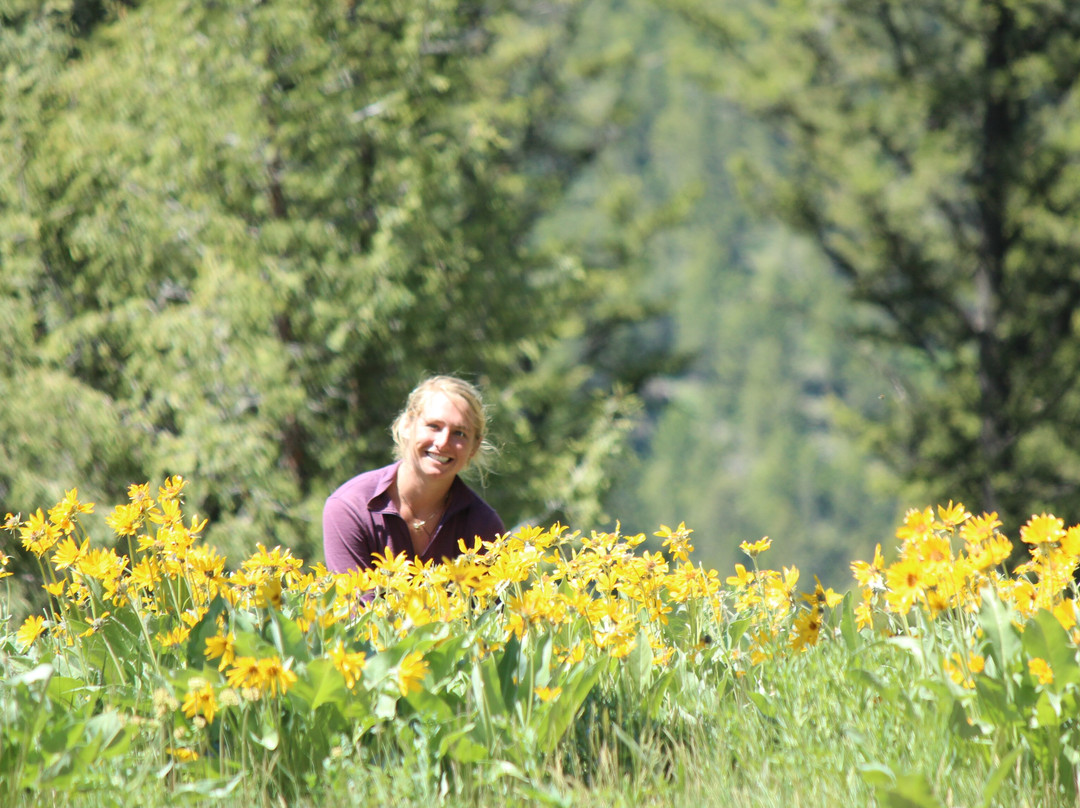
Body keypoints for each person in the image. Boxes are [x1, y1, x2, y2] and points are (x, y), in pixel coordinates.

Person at [322, 375, 505, 573]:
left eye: (459, 433)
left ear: (474, 447)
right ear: (407, 425)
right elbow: (355, 602)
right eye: (434, 426)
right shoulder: (351, 508)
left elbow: (490, 603)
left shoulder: (484, 526)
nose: (443, 442)